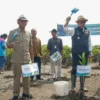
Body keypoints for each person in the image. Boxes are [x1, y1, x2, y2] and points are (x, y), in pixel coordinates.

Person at [7, 15, 33, 100]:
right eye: (22, 21)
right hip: (17, 59)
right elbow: (7, 44)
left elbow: (30, 47)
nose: (24, 22)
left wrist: (32, 59)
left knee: (27, 78)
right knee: (17, 78)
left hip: (26, 59)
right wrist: (11, 45)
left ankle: (26, 93)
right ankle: (15, 94)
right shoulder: (12, 32)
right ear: (18, 22)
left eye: (25, 21)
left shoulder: (29, 33)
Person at [64, 15, 92, 92]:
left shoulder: (87, 32)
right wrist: (67, 21)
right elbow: (65, 30)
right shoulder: (74, 30)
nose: (83, 23)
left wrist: (90, 53)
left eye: (84, 22)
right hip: (76, 53)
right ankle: (73, 87)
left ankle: (82, 87)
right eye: (81, 22)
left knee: (83, 70)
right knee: (74, 69)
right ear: (78, 23)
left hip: (85, 54)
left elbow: (89, 43)